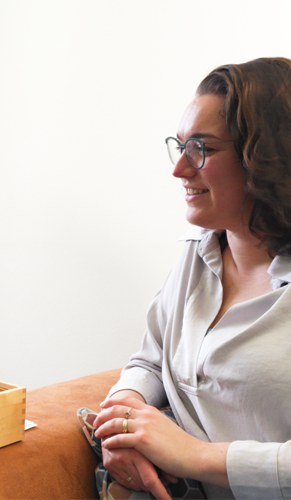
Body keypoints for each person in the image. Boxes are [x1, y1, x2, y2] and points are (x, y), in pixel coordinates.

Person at [86, 57, 291, 500]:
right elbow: (149, 361)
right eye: (179, 146)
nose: (179, 169)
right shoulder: (195, 252)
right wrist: (125, 421)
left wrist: (193, 456)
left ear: (266, 158)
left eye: (202, 148)